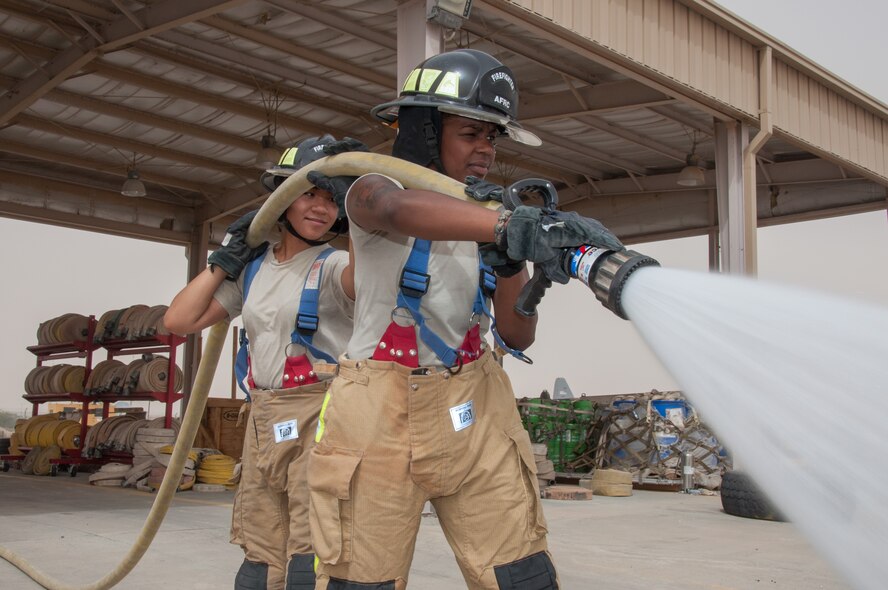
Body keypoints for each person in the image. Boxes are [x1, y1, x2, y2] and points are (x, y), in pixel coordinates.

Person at [307, 49, 623, 589]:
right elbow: (394, 212)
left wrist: (508, 260)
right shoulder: (372, 187)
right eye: (469, 133)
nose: (485, 150)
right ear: (426, 132)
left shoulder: (491, 214)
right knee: (362, 580)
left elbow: (517, 332)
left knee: (522, 574)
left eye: (492, 137)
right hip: (380, 409)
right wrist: (502, 226)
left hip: (476, 402)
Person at [164, 135, 362, 590]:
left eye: (332, 199)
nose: (320, 208)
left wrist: (365, 218)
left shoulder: (333, 265)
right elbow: (180, 320)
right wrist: (225, 259)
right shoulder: (254, 270)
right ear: (283, 200)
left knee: (311, 545)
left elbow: (367, 279)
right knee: (260, 542)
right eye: (309, 193)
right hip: (264, 420)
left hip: (320, 418)